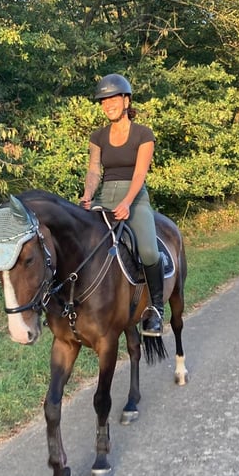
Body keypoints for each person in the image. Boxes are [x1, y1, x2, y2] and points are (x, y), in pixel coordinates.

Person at [79, 73, 164, 336]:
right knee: (80, 243)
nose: (108, 105)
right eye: (103, 101)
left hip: (135, 197)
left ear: (126, 101)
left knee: (148, 251)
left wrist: (127, 203)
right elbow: (94, 170)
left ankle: (156, 310)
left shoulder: (143, 134)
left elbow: (140, 174)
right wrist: (87, 194)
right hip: (105, 196)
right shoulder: (98, 136)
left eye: (113, 99)